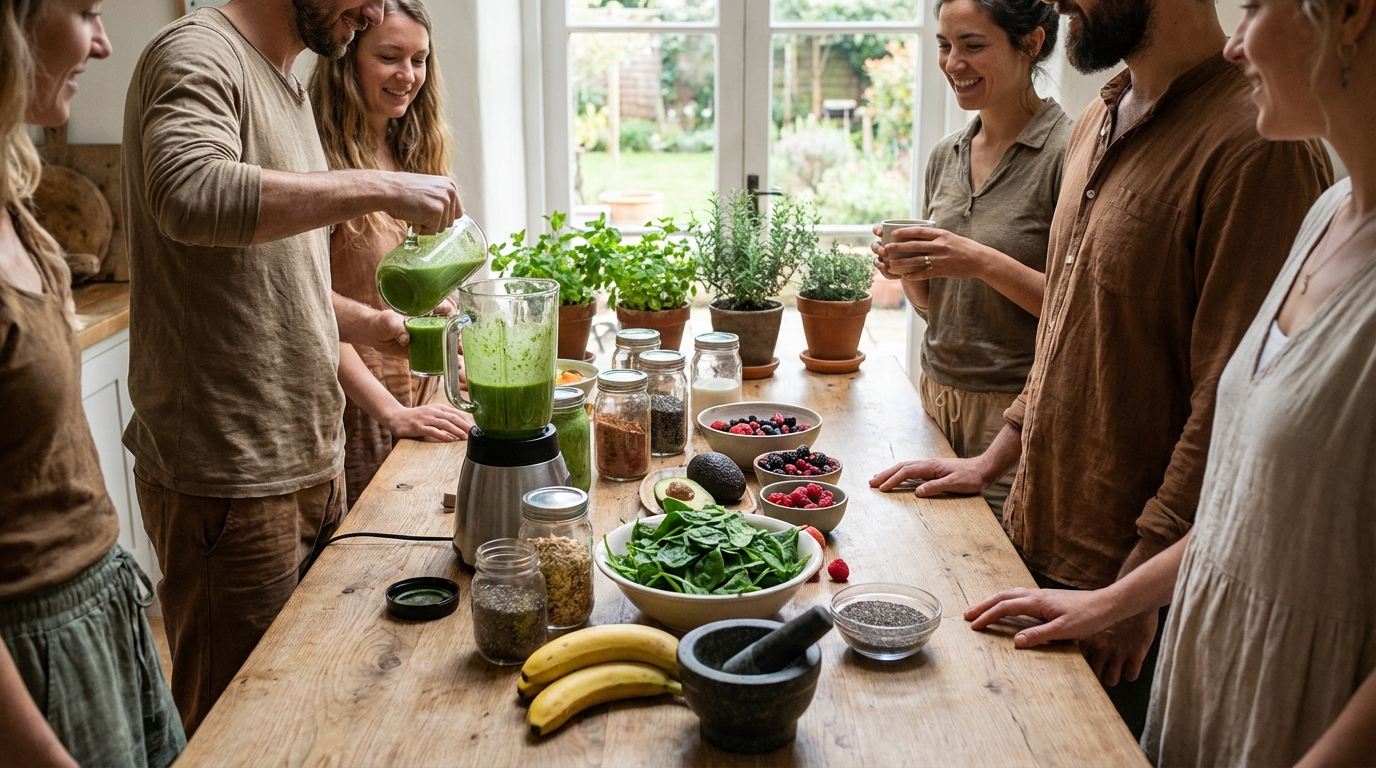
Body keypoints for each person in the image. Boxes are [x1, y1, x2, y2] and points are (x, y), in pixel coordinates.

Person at [871, 0, 1333, 738]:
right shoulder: (1101, 116)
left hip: (1126, 580)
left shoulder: (1257, 142)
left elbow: (1230, 400)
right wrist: (994, 458)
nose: (1056, 3)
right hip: (1040, 530)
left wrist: (1137, 589)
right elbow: (1066, 330)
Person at [121, 0, 462, 734]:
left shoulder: (290, 83)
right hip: (231, 472)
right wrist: (383, 186)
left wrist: (373, 323)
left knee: (309, 707)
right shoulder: (196, 54)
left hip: (309, 458)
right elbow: (189, 193)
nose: (371, 10)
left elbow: (280, 279)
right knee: (235, 728)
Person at [0, 0, 185, 765]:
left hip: (102, 608)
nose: (105, 44)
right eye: (85, 12)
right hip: (33, 657)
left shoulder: (15, 197)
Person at [871, 0, 1070, 517]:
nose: (952, 62)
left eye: (973, 45)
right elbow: (937, 308)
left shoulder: (1067, 154)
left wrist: (979, 260)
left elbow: (1078, 312)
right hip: (934, 395)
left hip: (1013, 415)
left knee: (995, 569)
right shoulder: (947, 154)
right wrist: (908, 269)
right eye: (944, 44)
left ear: (1031, 44)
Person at [310, 0, 473, 508]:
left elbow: (413, 287)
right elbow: (306, 305)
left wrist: (447, 333)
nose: (408, 75)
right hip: (358, 408)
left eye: (419, 59)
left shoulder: (414, 148)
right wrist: (390, 412)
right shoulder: (317, 161)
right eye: (390, 57)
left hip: (418, 395)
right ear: (347, 60)